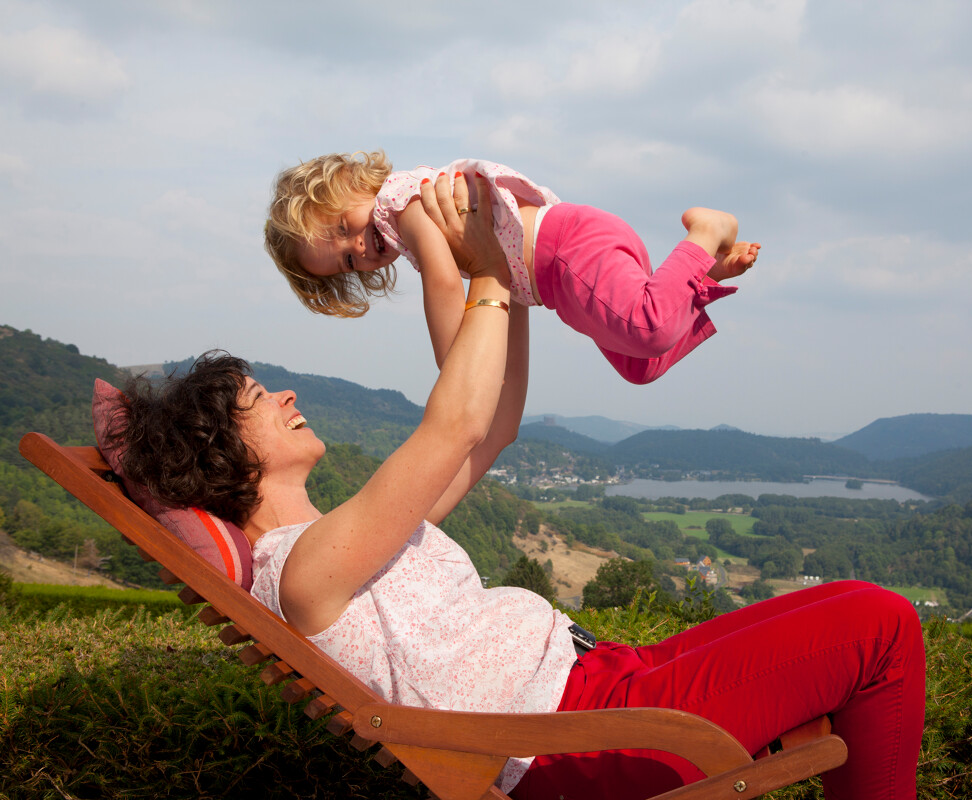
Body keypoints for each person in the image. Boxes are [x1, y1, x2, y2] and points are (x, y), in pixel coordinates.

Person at [122, 174, 924, 799]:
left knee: (850, 601)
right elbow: (455, 427)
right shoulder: (306, 573)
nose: (288, 396)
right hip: (581, 740)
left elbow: (492, 427)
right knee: (881, 626)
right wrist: (483, 273)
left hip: (603, 685)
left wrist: (511, 274)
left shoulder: (351, 535)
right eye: (262, 401)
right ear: (228, 456)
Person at [263, 152, 760, 384]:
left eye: (340, 226)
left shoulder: (399, 202)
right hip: (561, 281)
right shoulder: (396, 221)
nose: (357, 245)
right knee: (640, 364)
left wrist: (453, 360)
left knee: (647, 328)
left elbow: (440, 278)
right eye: (347, 260)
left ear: (352, 183)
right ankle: (701, 274)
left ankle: (704, 232)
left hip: (568, 249)